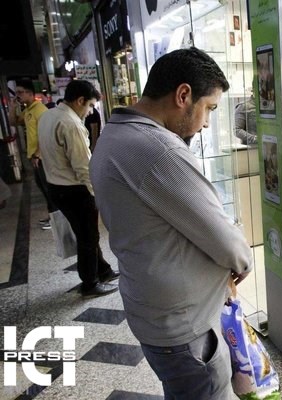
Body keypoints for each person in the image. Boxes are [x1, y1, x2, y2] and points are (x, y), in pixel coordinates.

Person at [90, 48, 253, 399]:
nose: (206, 123)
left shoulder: (113, 135)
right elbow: (225, 240)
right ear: (183, 95)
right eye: (209, 108)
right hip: (184, 326)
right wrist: (243, 261)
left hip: (151, 311)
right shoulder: (159, 149)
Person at [38, 80, 119, 298]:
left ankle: (103, 270)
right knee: (88, 237)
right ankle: (90, 283)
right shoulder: (71, 123)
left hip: (55, 186)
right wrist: (97, 194)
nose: (90, 111)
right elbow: (84, 166)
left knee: (86, 232)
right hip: (75, 190)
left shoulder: (48, 115)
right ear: (80, 100)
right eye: (90, 105)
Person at [8, 79, 57, 229]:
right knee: (43, 188)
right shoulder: (28, 110)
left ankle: (56, 220)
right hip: (34, 157)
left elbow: (46, 134)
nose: (17, 95)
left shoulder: (40, 110)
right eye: (16, 92)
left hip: (42, 157)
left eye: (20, 92)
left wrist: (37, 154)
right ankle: (52, 216)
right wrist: (12, 107)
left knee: (49, 189)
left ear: (30, 93)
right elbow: (13, 122)